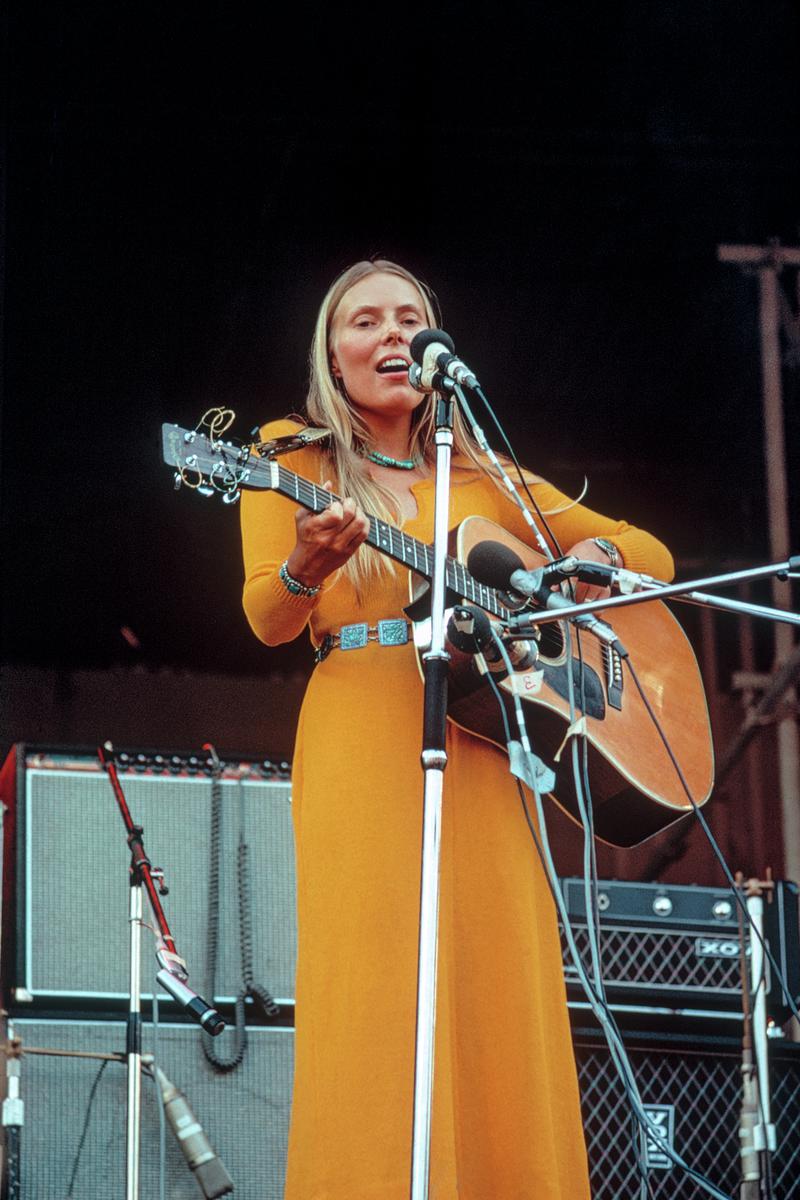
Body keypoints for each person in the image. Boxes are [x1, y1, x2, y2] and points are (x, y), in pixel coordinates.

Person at [240, 259, 675, 1199]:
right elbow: (267, 617)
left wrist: (590, 559)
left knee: (498, 982)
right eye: (366, 321)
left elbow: (650, 549)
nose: (392, 335)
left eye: (410, 319)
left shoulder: (490, 475)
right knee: (375, 986)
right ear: (333, 355)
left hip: (486, 742)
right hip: (362, 722)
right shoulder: (291, 460)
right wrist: (309, 569)